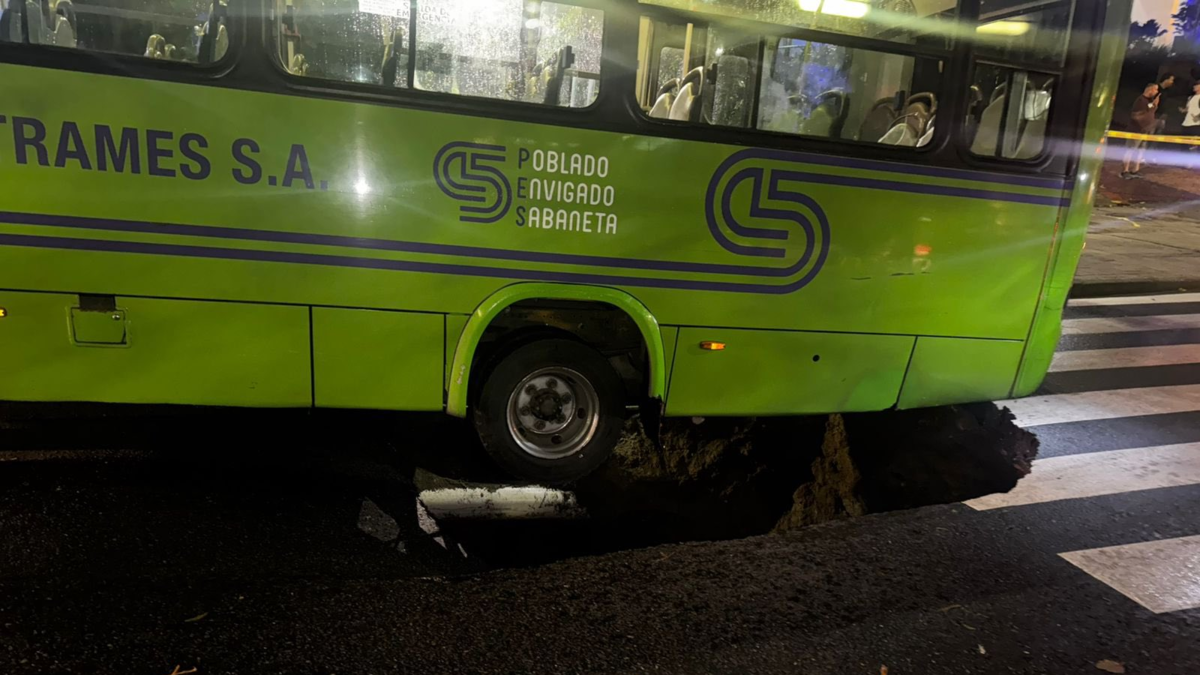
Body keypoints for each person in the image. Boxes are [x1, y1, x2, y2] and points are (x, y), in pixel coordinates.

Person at [1123, 83, 1160, 179]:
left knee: (1140, 151)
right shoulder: (1140, 101)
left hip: (1145, 131)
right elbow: (1136, 116)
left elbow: (1149, 111)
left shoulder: (1149, 101)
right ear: (1150, 89)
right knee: (1130, 150)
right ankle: (1125, 171)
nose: (1156, 92)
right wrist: (1143, 124)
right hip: (1136, 130)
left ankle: (1135, 170)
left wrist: (1155, 105)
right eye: (1155, 89)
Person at [1182, 81, 1200, 150]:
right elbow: (1188, 108)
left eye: (1196, 85)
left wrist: (1198, 117)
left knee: (1193, 146)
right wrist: (1184, 110)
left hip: (1196, 124)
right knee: (1184, 145)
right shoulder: (1190, 97)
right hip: (1186, 123)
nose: (1194, 87)